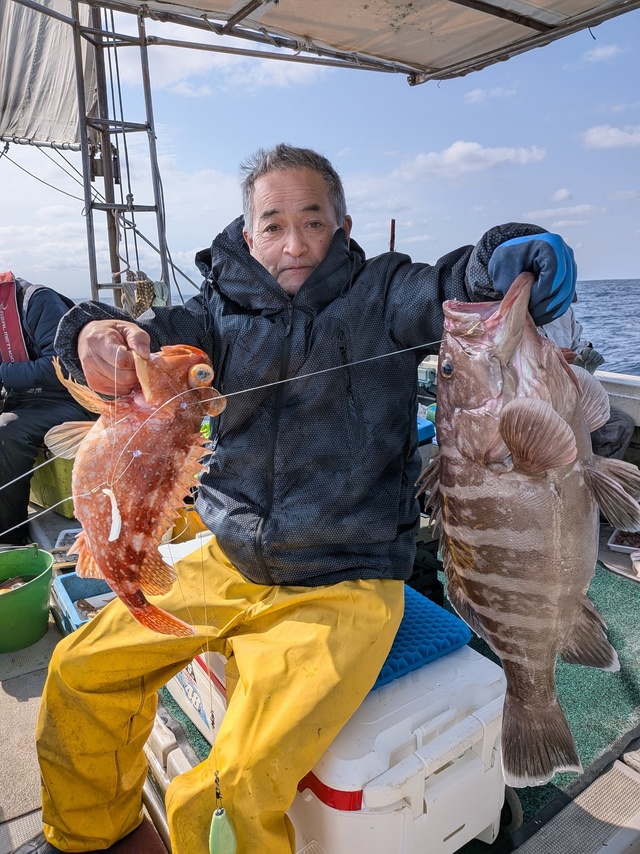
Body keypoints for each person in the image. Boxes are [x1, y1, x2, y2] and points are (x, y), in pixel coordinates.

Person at [16, 144, 578, 854]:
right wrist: (92, 337)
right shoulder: (212, 310)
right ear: (247, 235)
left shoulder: (384, 292)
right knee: (79, 672)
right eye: (273, 224)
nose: (294, 244)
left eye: (312, 222)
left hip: (347, 580)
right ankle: (85, 837)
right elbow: (142, 343)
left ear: (341, 229)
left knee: (234, 782)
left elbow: (455, 284)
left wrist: (504, 256)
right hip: (229, 559)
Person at [0, 272, 96, 548]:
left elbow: (58, 366)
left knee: (7, 431)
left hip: (71, 400)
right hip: (25, 401)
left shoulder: (38, 301)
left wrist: (1, 373)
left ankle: (9, 540)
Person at [540, 306, 635, 459]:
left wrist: (584, 356)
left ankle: (594, 478)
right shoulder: (506, 312)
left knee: (619, 425)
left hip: (569, 395)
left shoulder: (564, 310)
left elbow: (577, 344)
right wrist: (548, 360)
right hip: (532, 400)